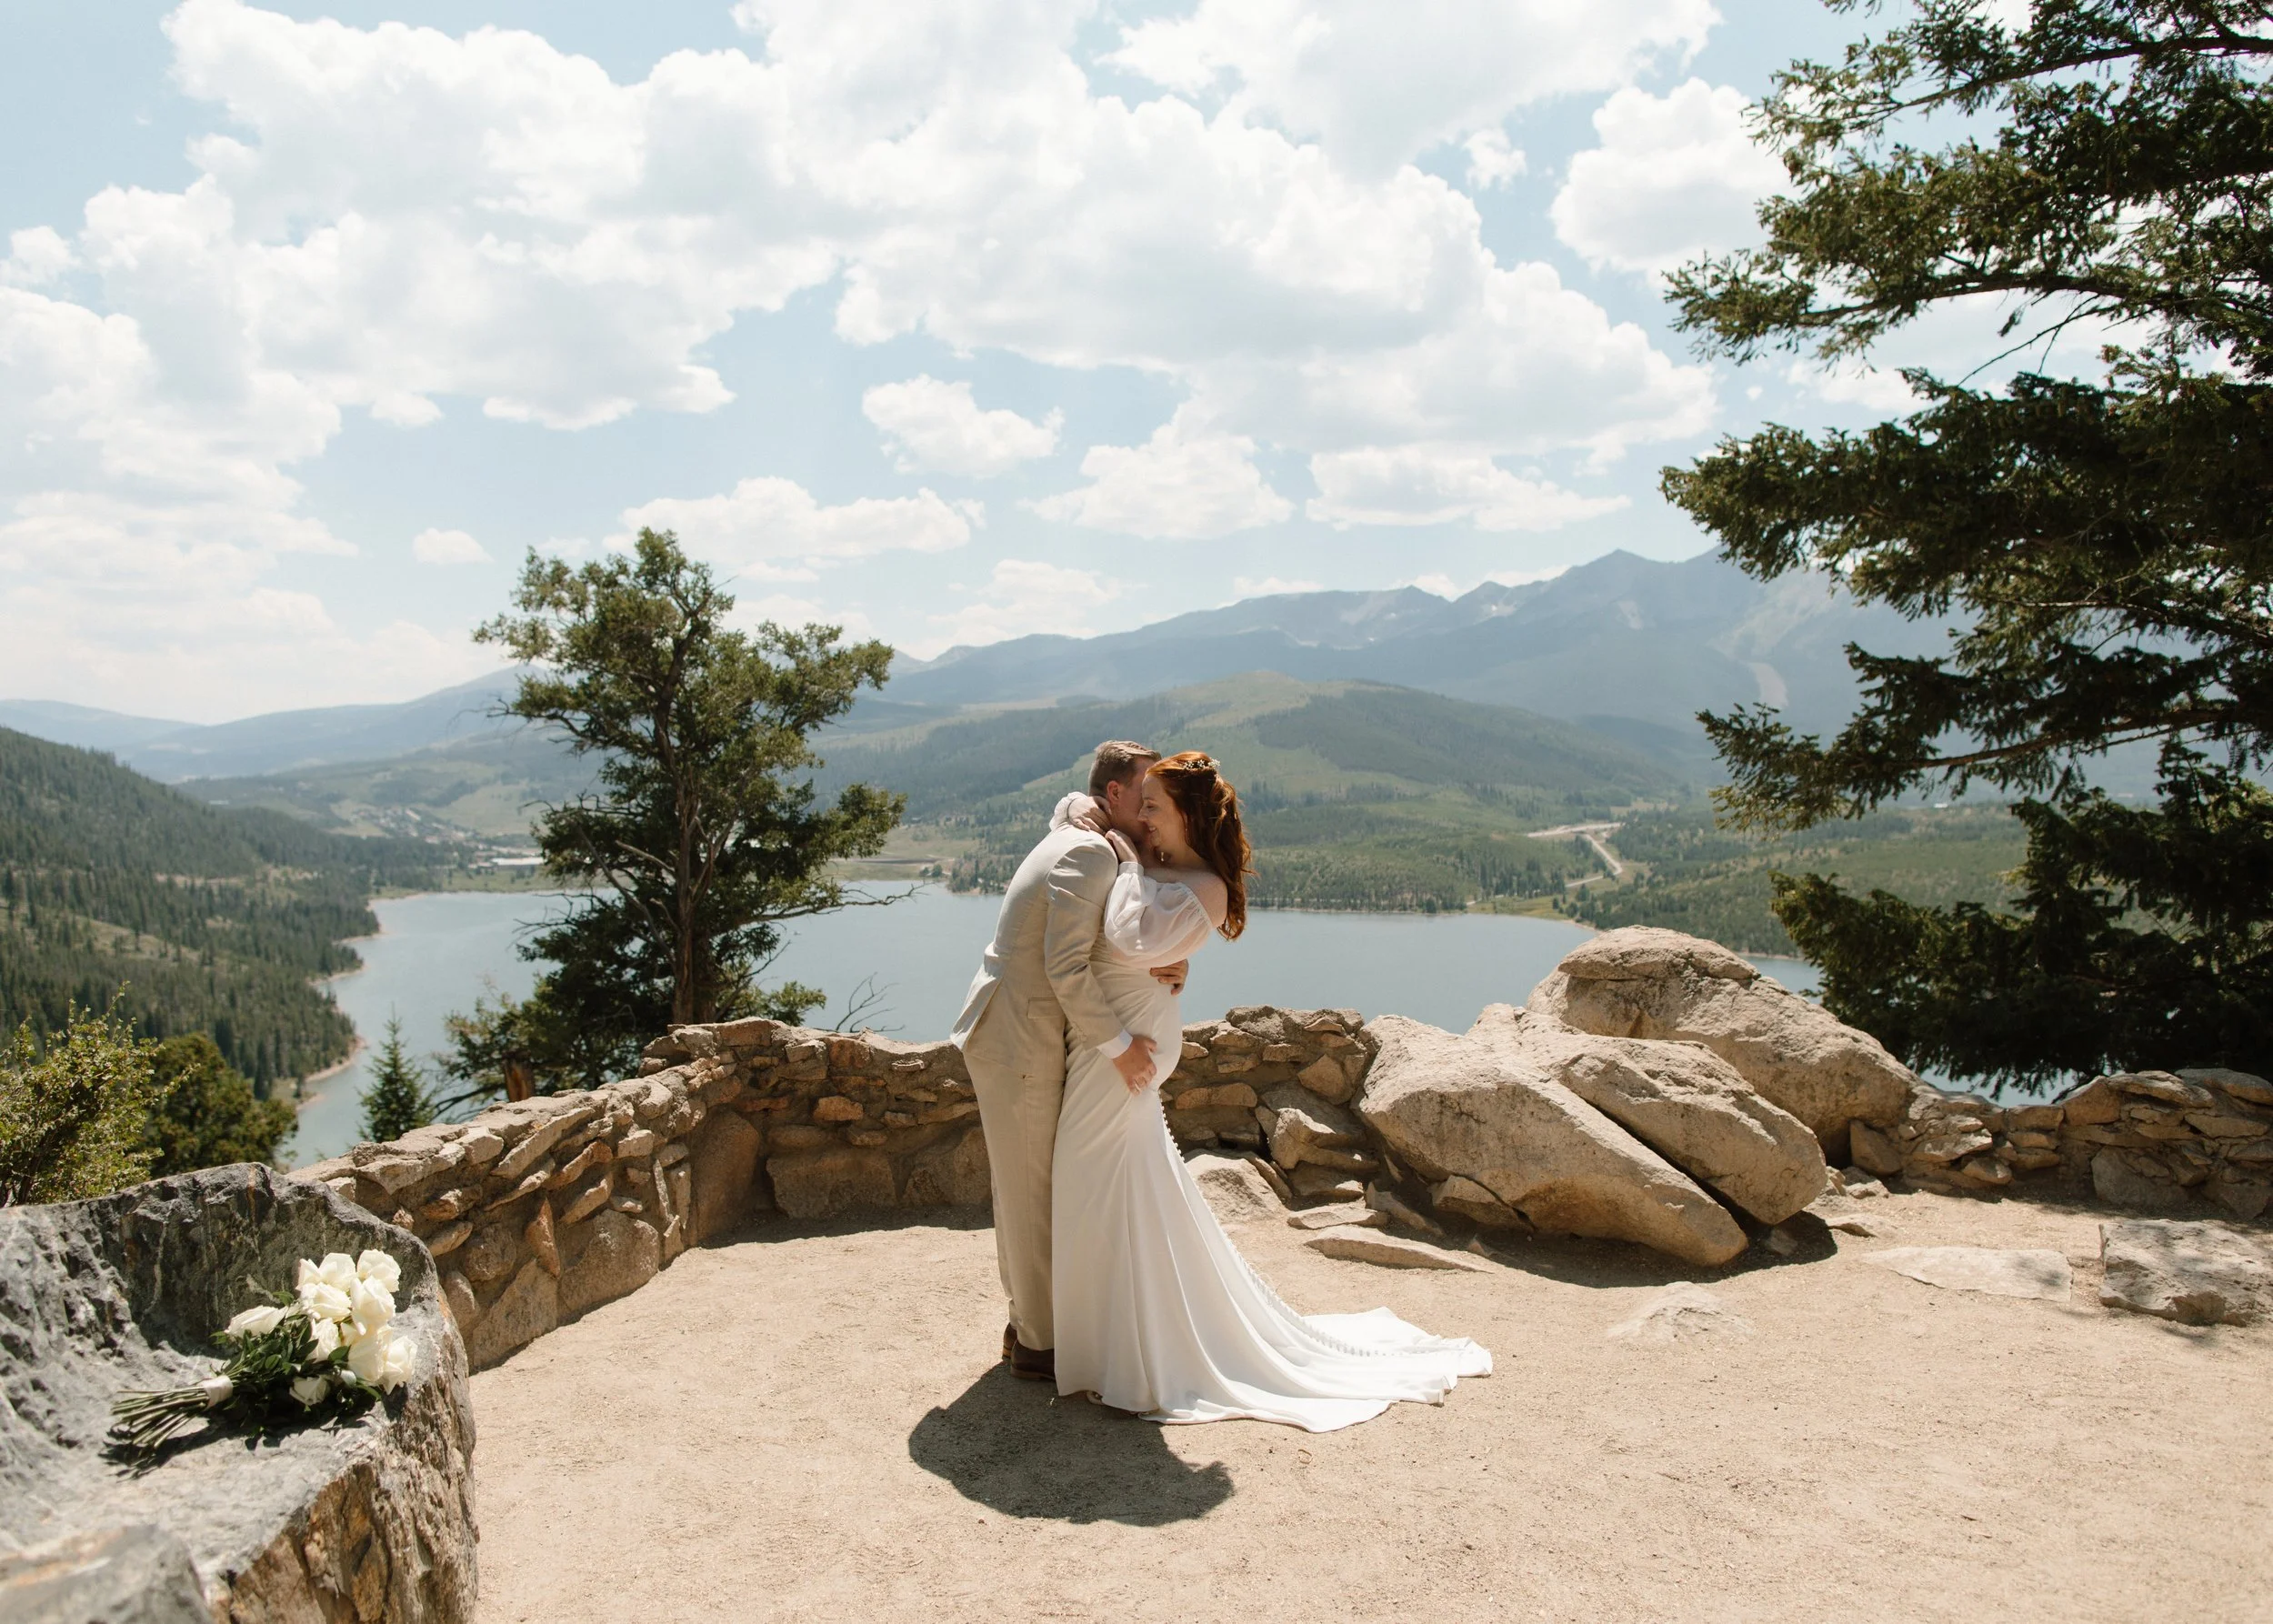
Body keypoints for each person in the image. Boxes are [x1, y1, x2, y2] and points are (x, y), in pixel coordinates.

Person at [1047, 750, 1490, 1430]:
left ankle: (1129, 1353)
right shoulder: (1160, 861)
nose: (1141, 817)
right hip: (1114, 1049)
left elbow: (1127, 935)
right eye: (1141, 806)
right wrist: (1104, 832)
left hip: (1127, 1058)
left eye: (1155, 807)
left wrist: (1129, 867)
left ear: (1189, 815)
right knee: (1110, 1194)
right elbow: (1075, 822)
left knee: (1099, 1188)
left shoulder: (1204, 885)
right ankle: (1111, 1344)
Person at [949, 741, 1186, 1383]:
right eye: (1146, 796)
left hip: (1024, 1029)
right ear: (1113, 796)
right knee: (1030, 1190)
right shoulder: (1087, 849)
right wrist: (1121, 1048)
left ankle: (1032, 1321)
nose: (1154, 809)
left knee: (1033, 1182)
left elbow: (1096, 939)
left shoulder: (1089, 838)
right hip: (1016, 1035)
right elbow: (1065, 965)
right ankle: (1037, 1343)